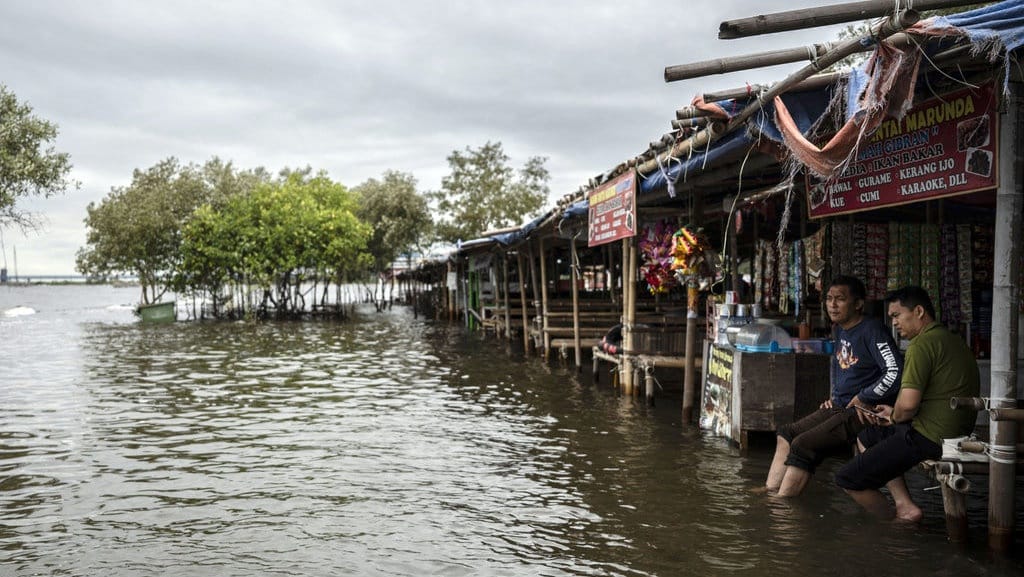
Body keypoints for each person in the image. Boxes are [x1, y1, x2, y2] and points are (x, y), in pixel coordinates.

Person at [835, 286, 980, 521]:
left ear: (919, 311)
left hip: (930, 438)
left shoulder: (921, 345)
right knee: (867, 437)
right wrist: (894, 413)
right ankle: (905, 506)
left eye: (897, 315)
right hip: (956, 432)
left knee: (847, 479)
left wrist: (894, 417)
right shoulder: (953, 340)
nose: (894, 324)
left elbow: (909, 404)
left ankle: (893, 529)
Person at [765, 275, 902, 497]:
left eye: (840, 299)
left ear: (858, 304)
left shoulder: (872, 330)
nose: (832, 304)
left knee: (803, 444)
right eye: (829, 298)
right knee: (786, 433)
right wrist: (834, 393)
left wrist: (866, 396)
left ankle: (781, 506)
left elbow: (895, 372)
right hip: (838, 404)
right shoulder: (839, 328)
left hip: (862, 411)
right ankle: (771, 490)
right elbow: (838, 364)